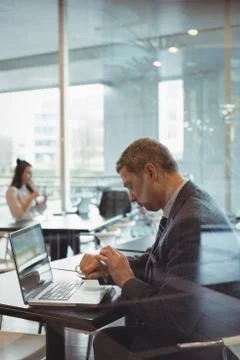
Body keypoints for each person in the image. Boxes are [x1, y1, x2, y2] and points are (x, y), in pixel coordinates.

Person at [79, 138, 238, 360]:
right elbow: (160, 260)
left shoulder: (189, 221)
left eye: (130, 185)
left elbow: (174, 318)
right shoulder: (188, 202)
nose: (131, 197)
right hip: (204, 327)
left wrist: (126, 280)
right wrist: (111, 267)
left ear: (151, 172)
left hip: (198, 345)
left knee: (107, 341)